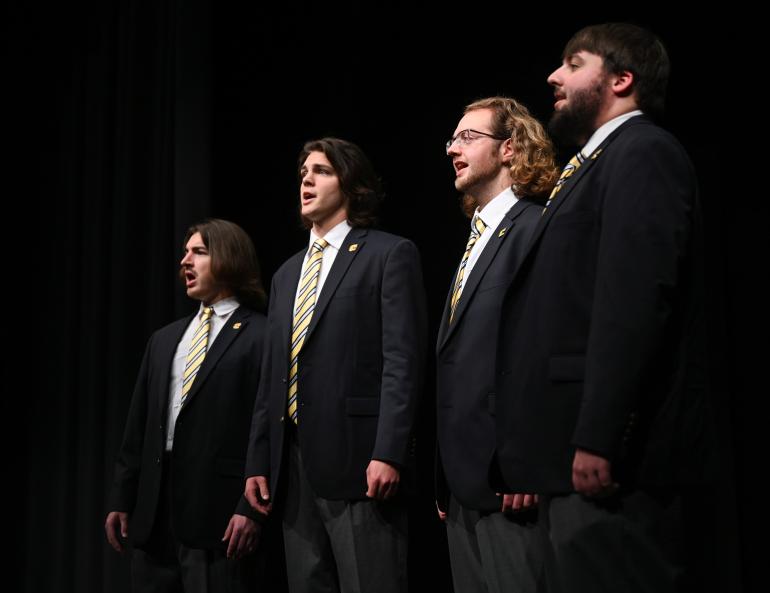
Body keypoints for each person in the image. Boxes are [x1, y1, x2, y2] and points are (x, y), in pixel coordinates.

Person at [494, 23, 714, 592]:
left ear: (621, 79)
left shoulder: (643, 153)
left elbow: (634, 302)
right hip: (568, 459)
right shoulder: (592, 164)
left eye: (573, 62)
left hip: (610, 462)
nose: (553, 76)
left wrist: (600, 436)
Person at [244, 137, 427, 593]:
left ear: (351, 184)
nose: (307, 179)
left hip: (359, 459)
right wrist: (258, 459)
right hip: (292, 466)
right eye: (304, 172)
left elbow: (402, 361)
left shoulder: (388, 254)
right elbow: (274, 375)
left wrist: (388, 451)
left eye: (321, 171)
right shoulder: (286, 274)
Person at [106, 219, 268, 592]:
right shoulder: (164, 340)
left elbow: (265, 431)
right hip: (154, 517)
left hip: (219, 519)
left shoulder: (261, 335)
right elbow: (138, 429)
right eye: (184, 253)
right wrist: (122, 497)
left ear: (228, 257)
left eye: (198, 252)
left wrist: (249, 510)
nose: (184, 261)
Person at [436, 96, 558, 593]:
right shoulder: (475, 237)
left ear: (510, 149)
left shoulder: (534, 227)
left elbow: (544, 351)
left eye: (468, 137)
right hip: (464, 484)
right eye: (452, 138)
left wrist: (529, 460)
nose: (452, 149)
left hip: (513, 481)